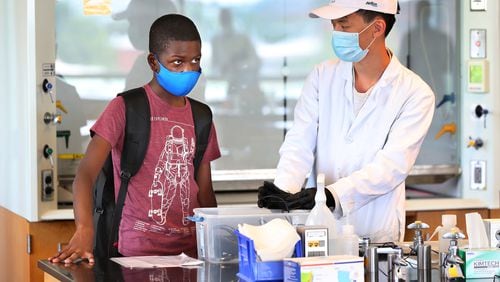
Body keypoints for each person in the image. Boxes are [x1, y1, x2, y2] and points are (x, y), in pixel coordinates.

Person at [257, 0, 435, 243]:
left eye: (344, 25)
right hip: (319, 231)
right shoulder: (323, 76)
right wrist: (283, 192)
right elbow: (299, 142)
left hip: (374, 234)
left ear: (377, 27)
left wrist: (332, 196)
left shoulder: (415, 93)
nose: (337, 33)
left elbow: (391, 167)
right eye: (334, 25)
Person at [49, 14, 221, 264]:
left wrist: (216, 239)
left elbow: (205, 192)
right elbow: (85, 175)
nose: (189, 70)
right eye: (177, 62)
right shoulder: (124, 108)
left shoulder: (201, 116)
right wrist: (85, 230)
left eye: (195, 61)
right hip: (136, 256)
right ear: (153, 62)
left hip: (189, 256)